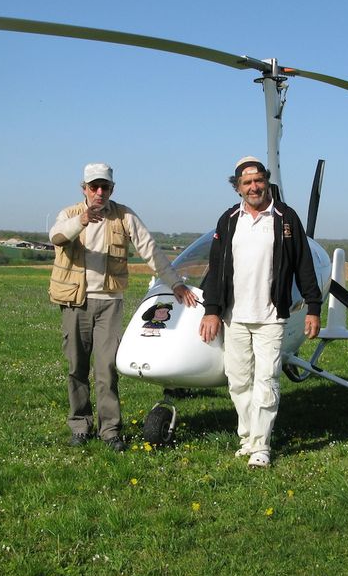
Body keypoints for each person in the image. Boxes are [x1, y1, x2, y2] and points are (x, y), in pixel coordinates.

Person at [49, 162, 197, 451]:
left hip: (109, 303)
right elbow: (56, 237)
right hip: (74, 301)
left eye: (105, 187)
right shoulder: (68, 214)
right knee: (77, 367)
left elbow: (150, 250)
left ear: (112, 189)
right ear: (84, 189)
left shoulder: (124, 216)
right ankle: (80, 426)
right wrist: (81, 220)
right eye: (94, 187)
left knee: (107, 369)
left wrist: (176, 283)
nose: (100, 192)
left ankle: (110, 432)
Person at [198, 156, 322, 468]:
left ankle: (262, 446)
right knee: (238, 381)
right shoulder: (228, 220)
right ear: (237, 188)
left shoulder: (285, 218)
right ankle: (248, 438)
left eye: (259, 180)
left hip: (271, 316)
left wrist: (313, 307)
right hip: (234, 316)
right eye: (247, 183)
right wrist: (212, 311)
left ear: (266, 181)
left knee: (267, 379)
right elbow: (215, 270)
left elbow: (304, 265)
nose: (254, 187)